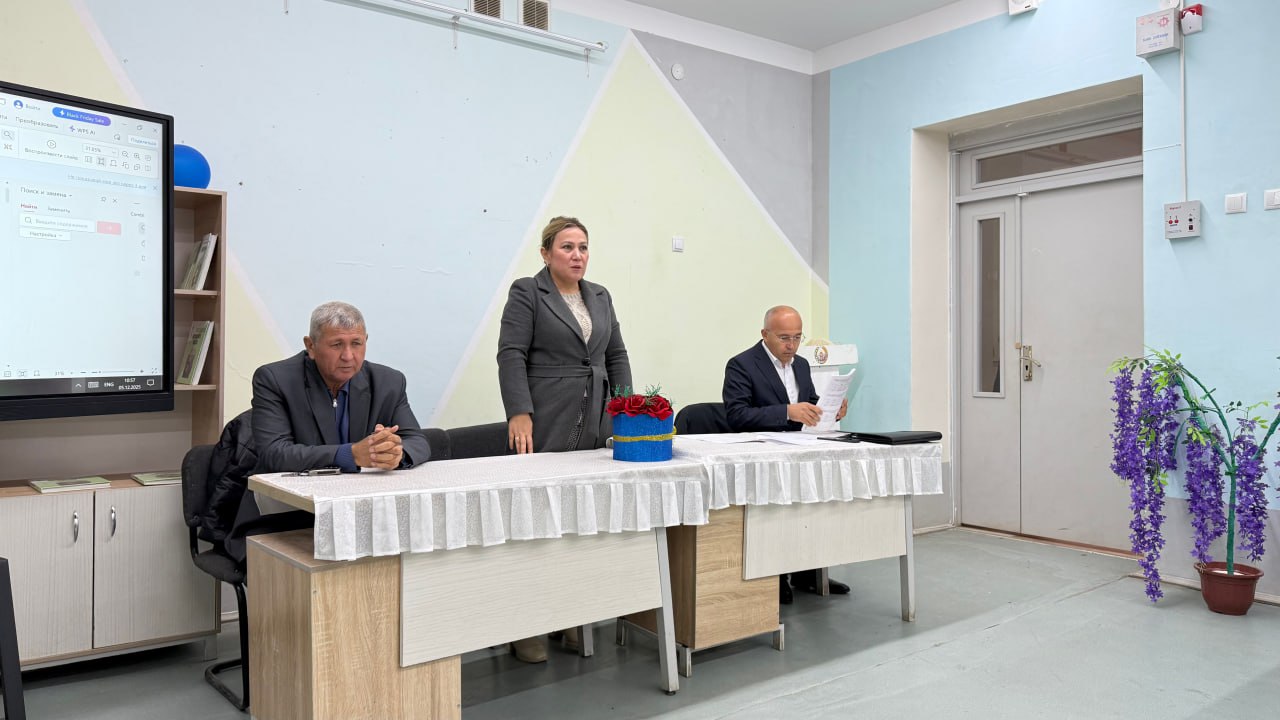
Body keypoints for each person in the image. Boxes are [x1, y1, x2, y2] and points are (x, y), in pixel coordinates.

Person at [497, 215, 632, 662]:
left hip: (596, 417)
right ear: (545, 253)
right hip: (546, 416)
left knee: (580, 519)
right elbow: (511, 354)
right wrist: (519, 412)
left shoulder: (600, 295)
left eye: (583, 247)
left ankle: (571, 617)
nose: (577, 255)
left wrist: (625, 410)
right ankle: (524, 627)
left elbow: (616, 354)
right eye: (567, 247)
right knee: (536, 520)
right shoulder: (527, 292)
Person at [722, 305, 850, 605]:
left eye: (796, 337)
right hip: (762, 456)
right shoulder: (742, 364)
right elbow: (736, 415)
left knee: (814, 505)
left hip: (799, 450)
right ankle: (775, 576)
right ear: (765, 334)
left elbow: (810, 403)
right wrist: (786, 412)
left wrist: (831, 408)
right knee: (776, 513)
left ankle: (809, 573)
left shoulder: (801, 365)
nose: (791, 345)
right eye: (784, 338)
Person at [252, 301, 430, 474]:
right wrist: (350, 455)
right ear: (311, 346)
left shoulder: (388, 382)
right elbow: (274, 453)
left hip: (360, 491)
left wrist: (394, 453)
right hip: (293, 493)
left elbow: (417, 442)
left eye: (356, 343)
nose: (348, 356)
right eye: (337, 345)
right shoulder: (276, 380)